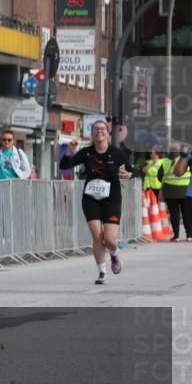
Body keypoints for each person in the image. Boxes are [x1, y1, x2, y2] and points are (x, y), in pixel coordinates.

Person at [59, 120, 133, 285]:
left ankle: (114, 255)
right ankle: (102, 273)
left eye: (102, 129)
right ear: (92, 133)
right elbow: (65, 165)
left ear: (107, 133)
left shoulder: (117, 153)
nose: (99, 131)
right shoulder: (86, 152)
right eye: (95, 129)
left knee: (110, 239)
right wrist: (70, 151)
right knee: (96, 235)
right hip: (91, 197)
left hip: (112, 198)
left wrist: (128, 175)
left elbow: (130, 169)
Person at [157, 143, 190, 241]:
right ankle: (189, 235)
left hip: (170, 191)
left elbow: (159, 177)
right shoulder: (187, 160)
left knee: (174, 214)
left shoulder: (165, 161)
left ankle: (176, 236)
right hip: (186, 190)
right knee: (187, 214)